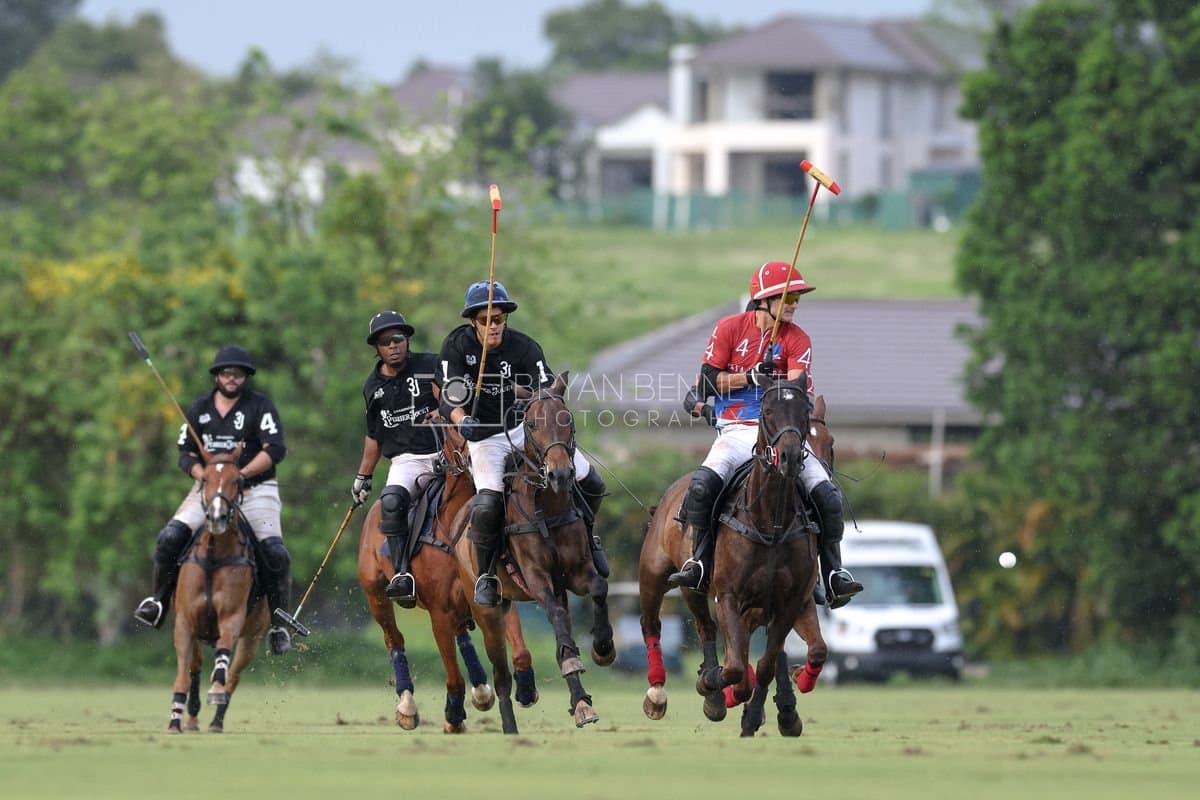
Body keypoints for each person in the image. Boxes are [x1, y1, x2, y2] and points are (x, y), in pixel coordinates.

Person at [666, 261, 864, 608]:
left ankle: (833, 573)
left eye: (796, 298)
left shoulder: (798, 339)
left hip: (781, 432)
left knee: (828, 495)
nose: (794, 305)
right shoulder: (729, 329)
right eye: (787, 298)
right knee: (702, 485)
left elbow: (797, 384)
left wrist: (775, 383)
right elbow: (708, 381)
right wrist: (750, 377)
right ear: (764, 301)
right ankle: (698, 562)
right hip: (736, 429)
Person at [438, 280, 608, 607]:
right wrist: (463, 421)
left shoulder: (525, 348)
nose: (493, 326)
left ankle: (589, 542)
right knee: (487, 504)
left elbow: (546, 394)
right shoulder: (456, 347)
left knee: (592, 481)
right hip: (484, 436)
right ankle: (487, 572)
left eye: (498, 319)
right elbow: (449, 397)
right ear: (473, 321)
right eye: (486, 320)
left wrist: (547, 427)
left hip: (523, 430)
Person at [132, 345, 295, 655]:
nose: (231, 378)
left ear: (245, 377)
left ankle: (278, 624)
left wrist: (240, 474)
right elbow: (185, 454)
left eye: (238, 373)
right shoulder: (199, 409)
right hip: (209, 490)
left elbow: (275, 449)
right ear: (217, 376)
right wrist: (205, 476)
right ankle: (157, 602)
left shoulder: (259, 407)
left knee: (276, 554)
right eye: (226, 372)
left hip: (255, 488)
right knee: (169, 537)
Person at [351, 310, 442, 609]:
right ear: (376, 348)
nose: (393, 345)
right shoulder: (372, 388)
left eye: (398, 339)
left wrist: (443, 412)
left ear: (407, 340)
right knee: (390, 501)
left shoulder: (430, 365)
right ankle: (403, 574)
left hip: (446, 451)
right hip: (407, 461)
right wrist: (363, 477)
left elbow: (455, 400)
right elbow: (374, 436)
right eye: (385, 341)